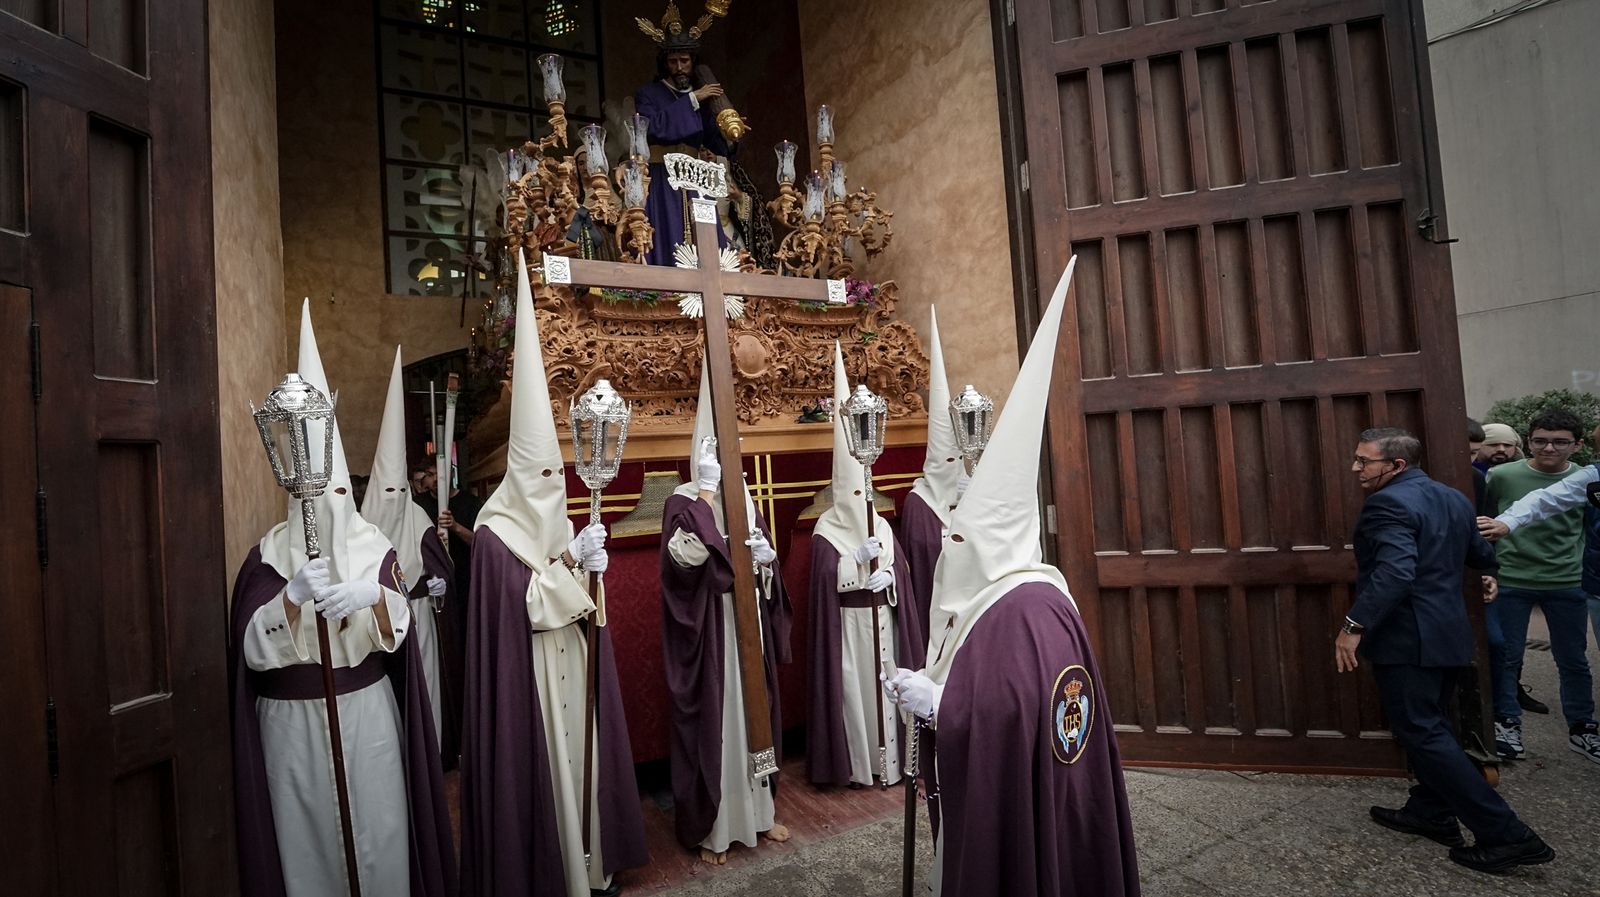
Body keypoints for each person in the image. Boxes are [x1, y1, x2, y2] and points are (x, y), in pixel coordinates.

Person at [884, 260, 1141, 897]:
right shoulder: (1036, 591)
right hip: (1031, 803)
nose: (955, 548)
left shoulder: (1026, 610)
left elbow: (1025, 712)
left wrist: (942, 707)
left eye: (964, 537)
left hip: (1024, 813)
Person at [229, 300, 454, 897]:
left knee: (378, 837)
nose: (323, 503)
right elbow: (250, 650)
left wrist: (373, 594)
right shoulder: (267, 557)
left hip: (365, 718)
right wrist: (290, 602)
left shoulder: (373, 544)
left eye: (333, 488)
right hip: (293, 729)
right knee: (306, 850)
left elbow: (400, 627)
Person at [460, 252, 647, 897]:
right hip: (530, 675)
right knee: (546, 769)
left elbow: (576, 597)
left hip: (573, 663)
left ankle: (593, 862)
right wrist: (572, 569)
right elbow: (522, 606)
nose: (548, 492)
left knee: (583, 762)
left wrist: (588, 559)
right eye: (537, 480)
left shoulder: (556, 518)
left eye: (554, 480)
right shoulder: (491, 534)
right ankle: (554, 869)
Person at [1336, 426, 1551, 874]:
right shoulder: (1453, 497)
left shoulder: (1386, 503)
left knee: (1423, 733)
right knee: (1433, 729)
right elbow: (1482, 556)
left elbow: (1395, 573)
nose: (1356, 467)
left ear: (1395, 466)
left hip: (1408, 639)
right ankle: (1430, 812)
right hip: (1449, 634)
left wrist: (1353, 625)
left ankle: (1506, 834)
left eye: (1364, 460)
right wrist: (1485, 574)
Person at [659, 365, 793, 864]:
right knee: (721, 724)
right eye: (712, 449)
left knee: (755, 717)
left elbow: (760, 562)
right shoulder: (682, 501)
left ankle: (759, 813)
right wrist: (709, 496)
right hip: (710, 634)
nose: (720, 455)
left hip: (745, 628)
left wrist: (765, 562)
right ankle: (715, 828)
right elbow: (683, 561)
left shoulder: (747, 496)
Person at [807, 342, 924, 789]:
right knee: (856, 696)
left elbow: (904, 574)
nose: (860, 504)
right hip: (850, 630)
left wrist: (890, 577)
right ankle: (862, 766)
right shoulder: (826, 530)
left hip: (883, 621)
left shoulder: (883, 524)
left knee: (889, 690)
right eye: (852, 495)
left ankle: (895, 764)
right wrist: (852, 565)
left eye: (864, 496)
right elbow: (822, 583)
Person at [1477, 412, 1600, 765]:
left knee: (1574, 660)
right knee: (1508, 657)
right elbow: (1532, 505)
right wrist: (1494, 559)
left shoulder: (1583, 476)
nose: (1549, 447)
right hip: (1513, 580)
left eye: (1560, 441)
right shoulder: (1502, 476)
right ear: (1527, 441)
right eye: (1541, 440)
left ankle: (1582, 728)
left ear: (1577, 446)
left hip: (1567, 581)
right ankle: (1507, 726)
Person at [362, 346, 456, 755]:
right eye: (389, 490)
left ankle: (430, 752)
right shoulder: (360, 528)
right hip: (374, 625)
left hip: (419, 621)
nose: (396, 497)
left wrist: (440, 588)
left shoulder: (419, 518)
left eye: (402, 489)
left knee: (427, 687)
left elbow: (443, 569)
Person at [632, 10, 738, 266]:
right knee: (668, 228)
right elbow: (652, 128)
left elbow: (715, 141)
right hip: (662, 176)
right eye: (673, 62)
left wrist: (729, 132)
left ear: (693, 62)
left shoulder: (704, 95)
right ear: (664, 64)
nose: (679, 68)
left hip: (697, 178)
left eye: (684, 61)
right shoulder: (649, 94)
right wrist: (692, 99)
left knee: (706, 242)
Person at [898, 306, 967, 639]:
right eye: (946, 463)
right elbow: (920, 561)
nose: (952, 470)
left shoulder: (966, 493)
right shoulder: (918, 503)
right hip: (933, 607)